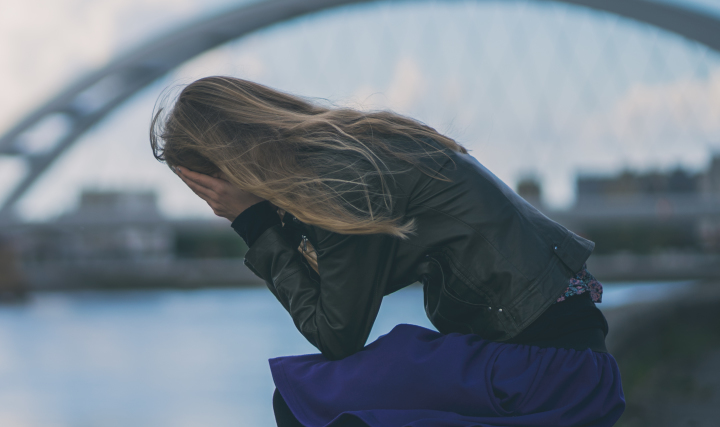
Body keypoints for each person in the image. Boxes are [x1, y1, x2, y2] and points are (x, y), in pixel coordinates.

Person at [150, 76, 624, 427]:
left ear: (229, 167)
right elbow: (341, 298)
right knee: (331, 400)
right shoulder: (353, 151)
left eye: (207, 192)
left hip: (548, 372)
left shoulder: (339, 181)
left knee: (301, 399)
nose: (214, 207)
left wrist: (251, 222)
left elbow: (337, 337)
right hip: (552, 358)